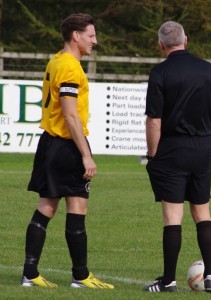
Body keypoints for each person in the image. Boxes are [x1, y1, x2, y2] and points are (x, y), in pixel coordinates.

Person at [21, 13, 114, 289]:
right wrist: (85, 154)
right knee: (77, 205)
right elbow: (70, 115)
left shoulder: (56, 59)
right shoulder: (71, 68)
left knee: (46, 206)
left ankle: (30, 273)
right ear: (76, 35)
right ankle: (81, 276)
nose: (94, 41)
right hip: (66, 145)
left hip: (49, 142)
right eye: (91, 35)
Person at [143, 21, 211, 293]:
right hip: (201, 149)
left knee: (172, 216)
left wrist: (153, 155)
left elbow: (154, 120)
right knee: (202, 212)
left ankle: (168, 281)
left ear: (160, 44)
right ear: (185, 40)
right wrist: (207, 146)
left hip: (171, 150)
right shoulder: (209, 71)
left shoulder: (160, 72)